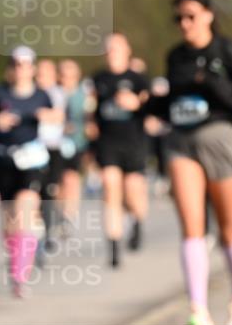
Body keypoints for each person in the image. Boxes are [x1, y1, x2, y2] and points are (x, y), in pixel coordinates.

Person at [153, 0, 232, 325]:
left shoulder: (227, 51)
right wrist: (142, 105)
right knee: (191, 225)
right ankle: (198, 309)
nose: (184, 24)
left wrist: (213, 83)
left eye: (191, 16)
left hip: (220, 138)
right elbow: (169, 100)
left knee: (229, 229)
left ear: (209, 16)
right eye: (179, 18)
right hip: (181, 141)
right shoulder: (175, 57)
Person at [0, 47, 55, 298]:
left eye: (25, 65)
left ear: (33, 68)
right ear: (11, 69)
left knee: (26, 208)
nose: (21, 69)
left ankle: (20, 276)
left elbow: (57, 117)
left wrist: (44, 115)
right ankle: (18, 253)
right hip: (5, 159)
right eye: (16, 65)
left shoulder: (41, 95)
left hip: (32, 159)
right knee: (9, 221)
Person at [90, 33, 150, 268]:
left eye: (117, 48)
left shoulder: (137, 79)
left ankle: (137, 221)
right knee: (110, 187)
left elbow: (151, 107)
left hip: (133, 141)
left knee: (132, 190)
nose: (112, 53)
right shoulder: (98, 79)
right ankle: (113, 246)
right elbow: (91, 109)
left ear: (127, 51)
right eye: (109, 49)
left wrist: (136, 104)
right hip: (108, 143)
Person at [35, 58, 67, 251]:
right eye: (39, 73)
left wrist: (38, 114)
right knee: (37, 191)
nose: (42, 77)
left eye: (46, 73)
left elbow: (58, 116)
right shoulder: (31, 93)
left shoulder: (57, 93)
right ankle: (43, 229)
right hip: (34, 150)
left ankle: (51, 227)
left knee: (50, 190)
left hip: (53, 148)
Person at [57, 59, 92, 234]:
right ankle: (58, 211)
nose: (67, 79)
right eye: (63, 75)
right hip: (55, 144)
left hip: (77, 143)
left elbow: (90, 118)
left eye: (71, 75)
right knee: (57, 182)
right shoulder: (53, 94)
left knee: (71, 178)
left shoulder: (84, 95)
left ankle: (68, 216)